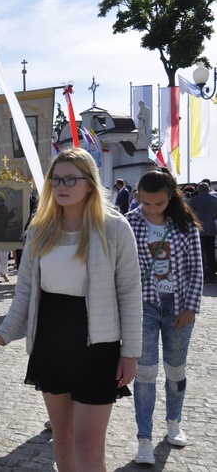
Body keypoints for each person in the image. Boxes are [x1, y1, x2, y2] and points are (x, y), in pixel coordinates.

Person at [0, 149, 142, 471]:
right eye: (56, 180)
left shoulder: (114, 228)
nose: (62, 186)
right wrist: (4, 333)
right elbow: (25, 291)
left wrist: (131, 353)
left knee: (88, 444)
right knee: (63, 439)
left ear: (90, 184)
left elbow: (129, 293)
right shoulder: (40, 228)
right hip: (51, 341)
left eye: (71, 179)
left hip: (98, 344)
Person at [126, 169, 202, 465]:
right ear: (138, 198)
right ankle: (144, 438)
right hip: (142, 305)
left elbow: (196, 269)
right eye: (146, 203)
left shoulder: (186, 227)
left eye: (158, 203)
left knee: (175, 370)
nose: (152, 209)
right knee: (144, 373)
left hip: (179, 305)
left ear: (170, 197)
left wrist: (191, 308)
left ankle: (174, 422)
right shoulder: (129, 222)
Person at [188, 182, 217, 284]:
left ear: (199, 190)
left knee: (200, 254)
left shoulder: (195, 199)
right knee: (211, 254)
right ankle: (212, 276)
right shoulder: (215, 199)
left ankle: (203, 277)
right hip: (211, 228)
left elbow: (190, 213)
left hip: (199, 229)